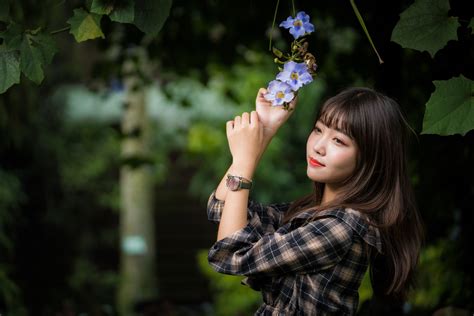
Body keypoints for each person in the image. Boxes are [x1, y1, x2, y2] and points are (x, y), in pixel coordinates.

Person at [206, 87, 425, 315]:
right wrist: (266, 130)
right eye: (318, 129)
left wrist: (244, 160)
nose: (318, 146)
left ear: (370, 158)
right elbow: (221, 209)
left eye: (339, 141)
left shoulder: (340, 228)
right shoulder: (311, 213)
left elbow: (229, 255)